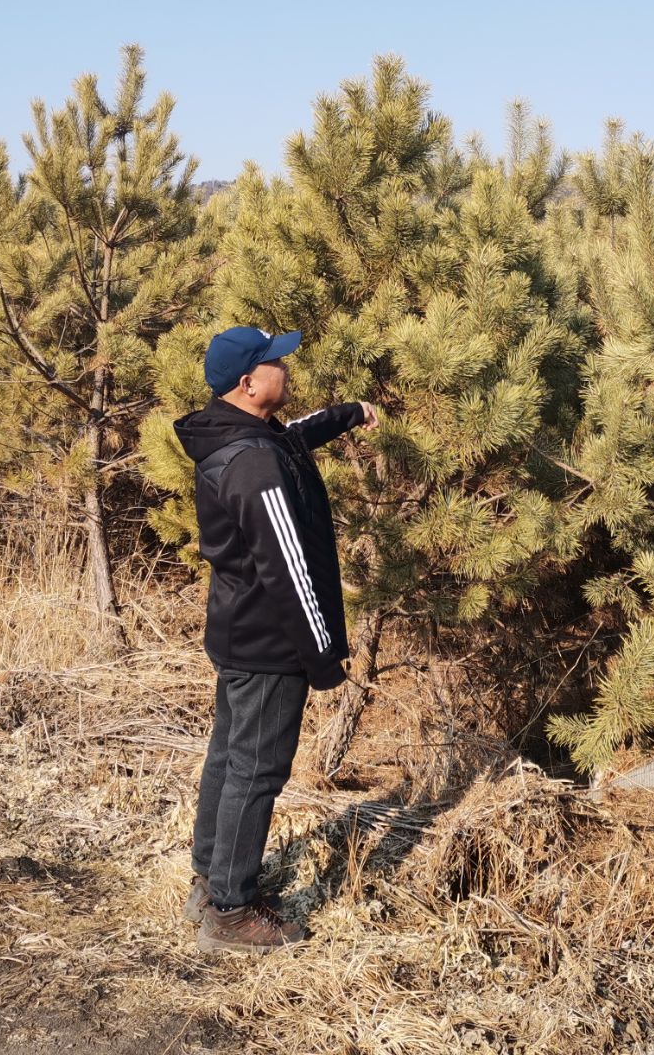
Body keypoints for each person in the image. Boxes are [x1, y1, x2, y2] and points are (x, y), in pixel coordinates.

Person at [171, 325, 377, 953]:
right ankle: (230, 912)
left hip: (240, 630)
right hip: (272, 639)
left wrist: (348, 415)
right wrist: (321, 656)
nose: (287, 369)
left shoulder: (241, 437)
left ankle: (209, 881)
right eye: (277, 363)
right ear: (249, 382)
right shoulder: (254, 463)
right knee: (257, 769)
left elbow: (295, 436)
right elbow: (288, 565)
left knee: (230, 757)